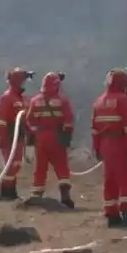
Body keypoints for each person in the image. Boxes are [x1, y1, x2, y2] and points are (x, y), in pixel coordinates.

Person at [92, 68, 127, 228]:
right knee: (126, 179)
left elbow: (94, 129)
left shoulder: (99, 101)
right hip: (120, 144)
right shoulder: (125, 100)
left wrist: (96, 148)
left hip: (104, 145)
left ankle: (112, 215)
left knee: (109, 180)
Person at [26, 72, 75, 208]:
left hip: (40, 138)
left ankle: (37, 195)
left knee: (40, 167)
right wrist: (67, 136)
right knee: (61, 166)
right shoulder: (63, 101)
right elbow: (69, 120)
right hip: (57, 137)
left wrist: (33, 135)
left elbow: (29, 120)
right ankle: (65, 197)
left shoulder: (35, 100)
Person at [0, 67, 34, 201]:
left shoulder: (22, 99)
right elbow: (1, 120)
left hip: (19, 135)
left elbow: (25, 118)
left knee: (16, 164)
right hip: (9, 135)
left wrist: (30, 134)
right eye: (23, 80)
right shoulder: (7, 97)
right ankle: (6, 193)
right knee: (11, 165)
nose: (25, 83)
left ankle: (12, 192)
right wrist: (3, 138)